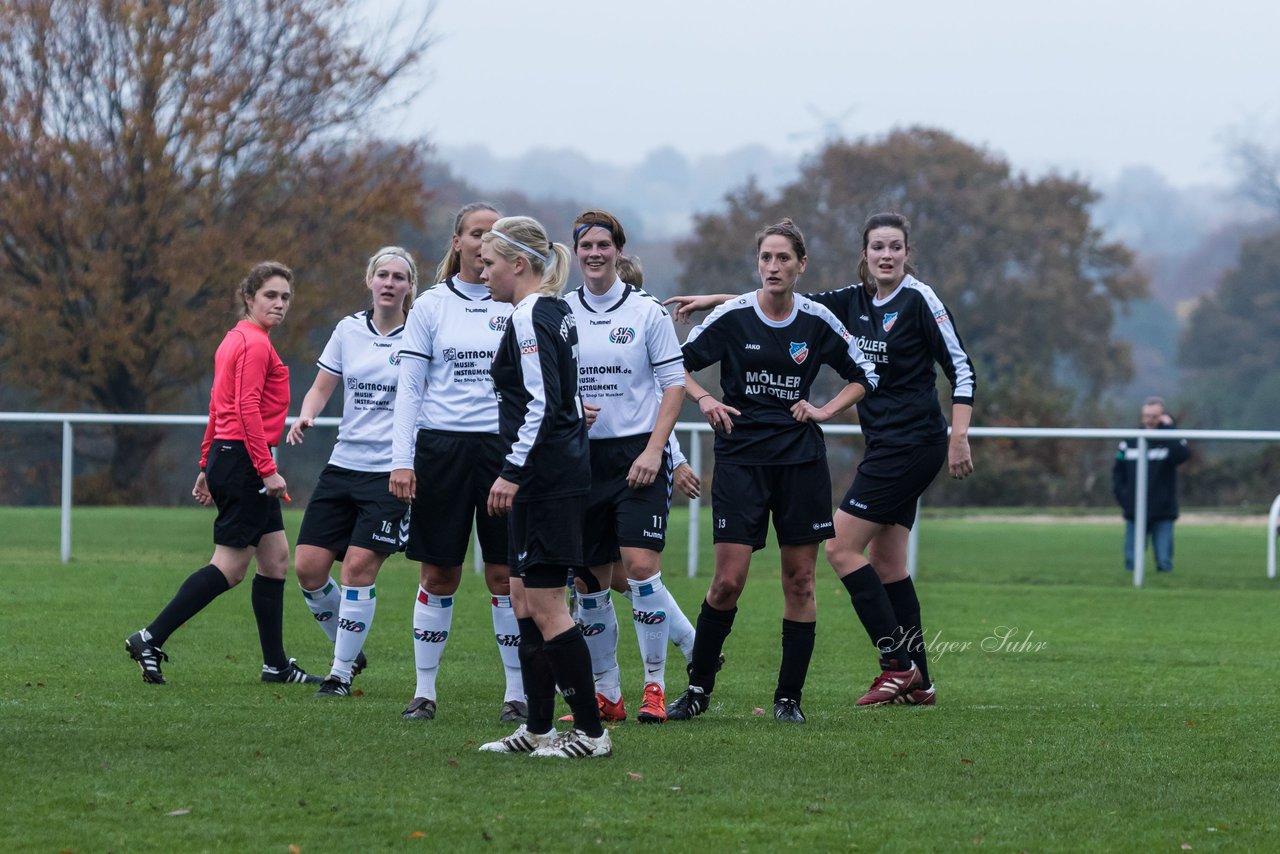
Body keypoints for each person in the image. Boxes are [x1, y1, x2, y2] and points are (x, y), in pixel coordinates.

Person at [667, 211, 976, 708]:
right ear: (865, 254)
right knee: (887, 564)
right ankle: (920, 679)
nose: (886, 255)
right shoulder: (852, 302)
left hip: (910, 443)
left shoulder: (919, 299)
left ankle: (893, 667)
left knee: (836, 554)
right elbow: (782, 304)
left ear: (906, 253)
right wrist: (715, 304)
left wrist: (957, 434)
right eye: (878, 247)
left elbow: (954, 366)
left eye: (895, 247)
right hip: (860, 448)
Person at [664, 218, 879, 724]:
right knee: (727, 582)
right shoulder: (734, 316)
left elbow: (865, 374)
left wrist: (825, 410)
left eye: (784, 258)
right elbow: (674, 364)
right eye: (766, 258)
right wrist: (705, 398)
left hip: (801, 463)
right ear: (757, 263)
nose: (774, 267)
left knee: (800, 580)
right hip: (740, 460)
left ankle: (788, 699)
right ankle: (697, 689)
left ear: (801, 264)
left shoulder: (817, 320)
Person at [125, 262, 320, 686]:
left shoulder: (236, 338)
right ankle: (149, 637)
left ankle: (276, 666)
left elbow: (219, 406)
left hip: (230, 455)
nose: (280, 304)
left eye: (286, 297)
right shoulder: (253, 344)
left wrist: (203, 465)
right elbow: (244, 408)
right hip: (245, 460)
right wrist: (267, 470)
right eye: (270, 295)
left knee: (275, 560)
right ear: (249, 297)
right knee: (230, 568)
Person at [475, 215, 611, 758]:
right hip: (546, 475)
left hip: (547, 480)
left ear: (518, 264)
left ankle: (593, 735)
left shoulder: (534, 314)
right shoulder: (553, 310)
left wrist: (511, 472)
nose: (481, 273)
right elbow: (567, 398)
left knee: (550, 606)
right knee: (523, 600)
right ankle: (537, 728)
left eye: (487, 264)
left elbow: (543, 403)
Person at [389, 203, 530, 722]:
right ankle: (424, 692)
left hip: (503, 450)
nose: (482, 243)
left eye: (493, 235)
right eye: (475, 233)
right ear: (457, 242)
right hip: (442, 450)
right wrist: (402, 460)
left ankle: (516, 693)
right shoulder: (430, 306)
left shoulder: (520, 305)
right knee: (439, 573)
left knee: (504, 576)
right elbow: (410, 389)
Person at [563, 211, 686, 725]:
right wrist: (571, 409)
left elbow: (674, 386)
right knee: (590, 583)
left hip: (637, 456)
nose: (594, 253)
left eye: (603, 245)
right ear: (576, 252)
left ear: (618, 250)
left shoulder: (646, 313)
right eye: (586, 245)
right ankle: (606, 694)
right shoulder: (560, 312)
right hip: (579, 461)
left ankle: (654, 687)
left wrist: (656, 452)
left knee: (639, 569)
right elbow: (540, 384)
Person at [287, 247, 417, 697]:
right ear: (369, 280)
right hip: (343, 466)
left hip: (391, 473)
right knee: (307, 568)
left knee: (358, 569)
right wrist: (305, 415)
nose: (389, 282)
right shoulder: (348, 330)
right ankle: (349, 644)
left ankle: (339, 673)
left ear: (408, 287)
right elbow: (322, 387)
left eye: (399, 277)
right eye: (382, 274)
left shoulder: (419, 333)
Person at [1112, 396, 1190, 573]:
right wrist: (1124, 498)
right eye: (1146, 416)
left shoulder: (1172, 439)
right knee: (1131, 561)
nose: (1149, 420)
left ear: (1162, 417)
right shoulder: (1130, 441)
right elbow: (1117, 472)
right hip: (1134, 512)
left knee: (1163, 561)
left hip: (1163, 512)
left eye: (1154, 417)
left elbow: (1182, 456)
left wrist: (1169, 429)